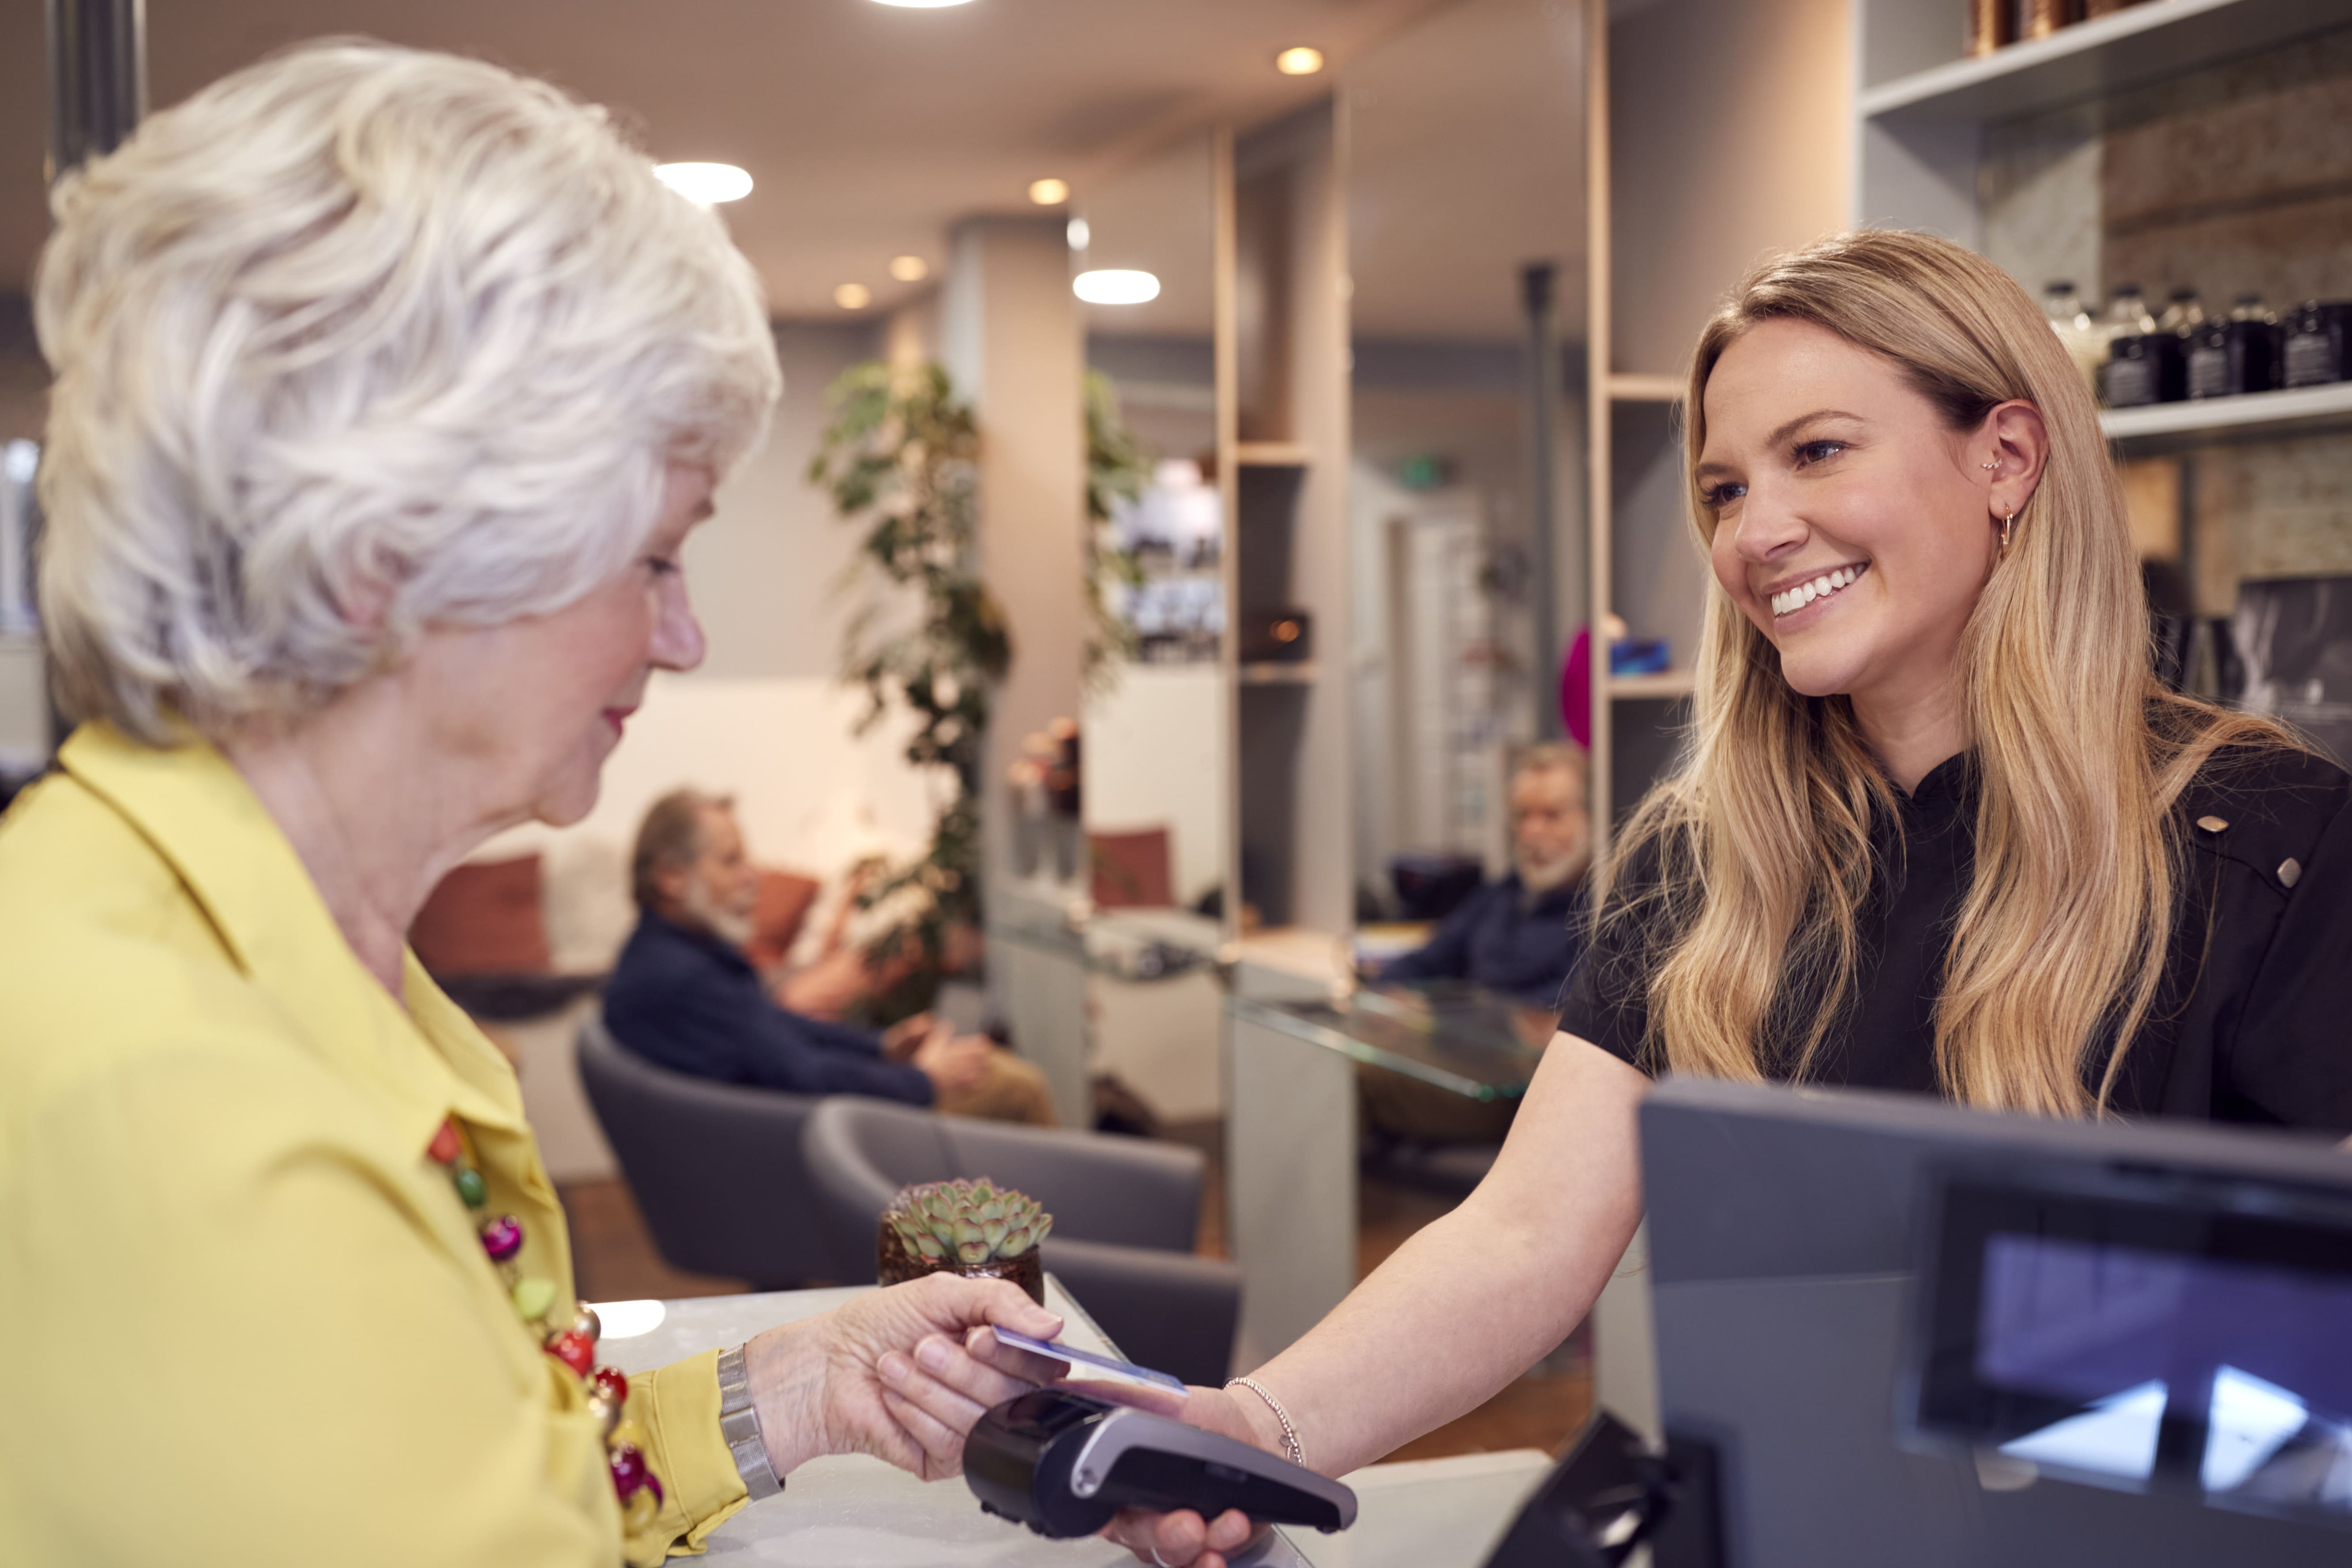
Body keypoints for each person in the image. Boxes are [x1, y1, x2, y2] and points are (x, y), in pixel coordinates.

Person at [1046, 229, 2352, 1567]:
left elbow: (2324, 1362)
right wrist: (1257, 1421)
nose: (1756, 530)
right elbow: (1523, 1231)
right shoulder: (1705, 858)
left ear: (2006, 458)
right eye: (1724, 487)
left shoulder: (2261, 840)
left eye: (1818, 451)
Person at [0, 44, 1068, 1567]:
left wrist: (806, 1384)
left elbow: (486, 1457)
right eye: (654, 558)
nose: (683, 636)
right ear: (392, 547)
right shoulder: (190, 1122)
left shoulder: (244, 944)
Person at [606, 788, 1058, 1124]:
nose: (753, 877)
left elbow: (774, 1026)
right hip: (816, 1141)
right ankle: (1065, 1244)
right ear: (670, 877)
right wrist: (924, 1080)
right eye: (730, 862)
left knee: (995, 1071)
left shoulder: (666, 955)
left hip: (795, 1123)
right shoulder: (686, 978)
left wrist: (881, 1045)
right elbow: (803, 1075)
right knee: (1018, 1086)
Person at [1377, 741, 1591, 1005]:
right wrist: (1380, 995)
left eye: (1552, 815)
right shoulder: (1501, 895)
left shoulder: (1604, 916)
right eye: (1522, 815)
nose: (1532, 832)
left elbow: (1569, 1009)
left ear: (1593, 820)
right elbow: (1427, 960)